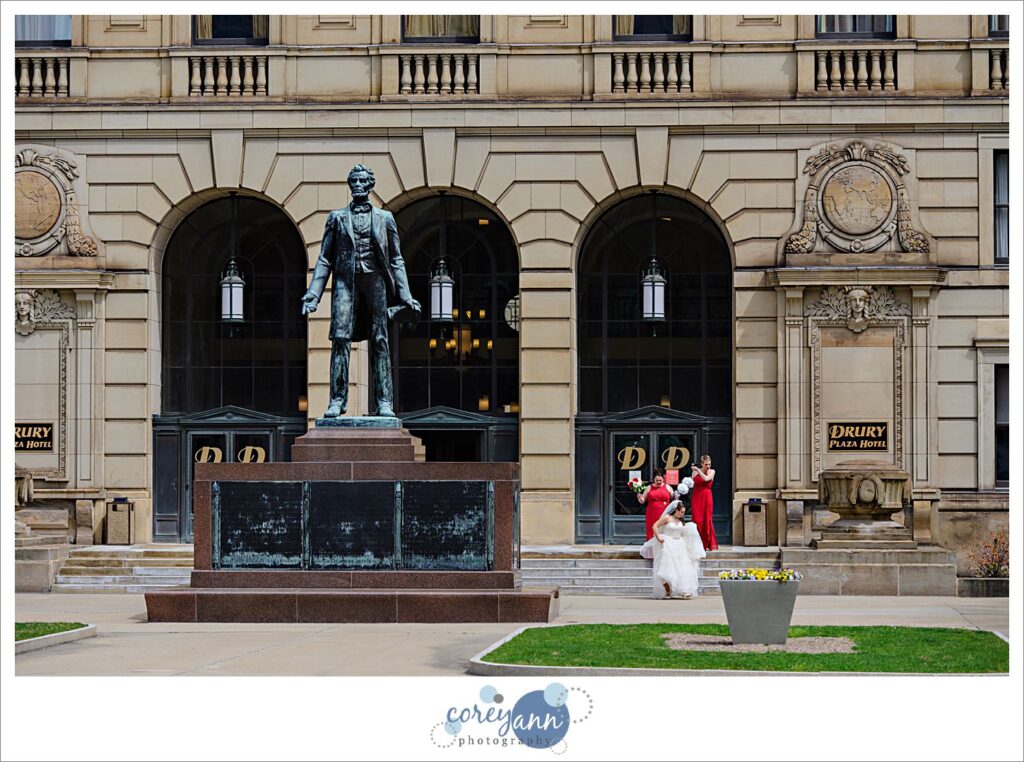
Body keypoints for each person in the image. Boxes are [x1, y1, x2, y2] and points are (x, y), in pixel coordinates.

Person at [301, 164, 421, 418]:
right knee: (340, 339)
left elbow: (397, 259)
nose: (357, 185)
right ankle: (337, 400)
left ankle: (384, 402)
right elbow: (325, 258)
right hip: (345, 282)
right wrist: (313, 294)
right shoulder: (335, 217)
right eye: (353, 181)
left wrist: (405, 295)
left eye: (362, 181)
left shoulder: (385, 218)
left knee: (380, 340)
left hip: (375, 281)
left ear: (370, 185)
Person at [643, 501, 706, 599]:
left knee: (682, 568)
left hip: (679, 544)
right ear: (676, 510)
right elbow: (655, 526)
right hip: (667, 543)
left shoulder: (681, 521)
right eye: (681, 512)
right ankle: (668, 590)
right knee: (666, 568)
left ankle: (684, 590)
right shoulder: (667, 518)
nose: (683, 514)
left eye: (684, 512)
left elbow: (682, 533)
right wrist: (659, 537)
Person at [690, 454, 718, 551]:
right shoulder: (694, 473)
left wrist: (697, 470)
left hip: (707, 497)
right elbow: (692, 484)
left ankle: (707, 544)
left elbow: (706, 479)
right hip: (697, 497)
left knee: (707, 519)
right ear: (702, 463)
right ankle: (697, 544)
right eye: (706, 464)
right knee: (697, 520)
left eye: (709, 464)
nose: (708, 466)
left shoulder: (712, 471)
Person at [638, 469, 673, 542]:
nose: (659, 482)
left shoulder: (668, 487)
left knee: (664, 529)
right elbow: (642, 501)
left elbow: (674, 498)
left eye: (660, 480)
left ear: (663, 479)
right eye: (657, 480)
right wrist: (639, 496)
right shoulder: (649, 487)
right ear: (653, 479)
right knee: (651, 530)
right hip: (652, 513)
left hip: (665, 513)